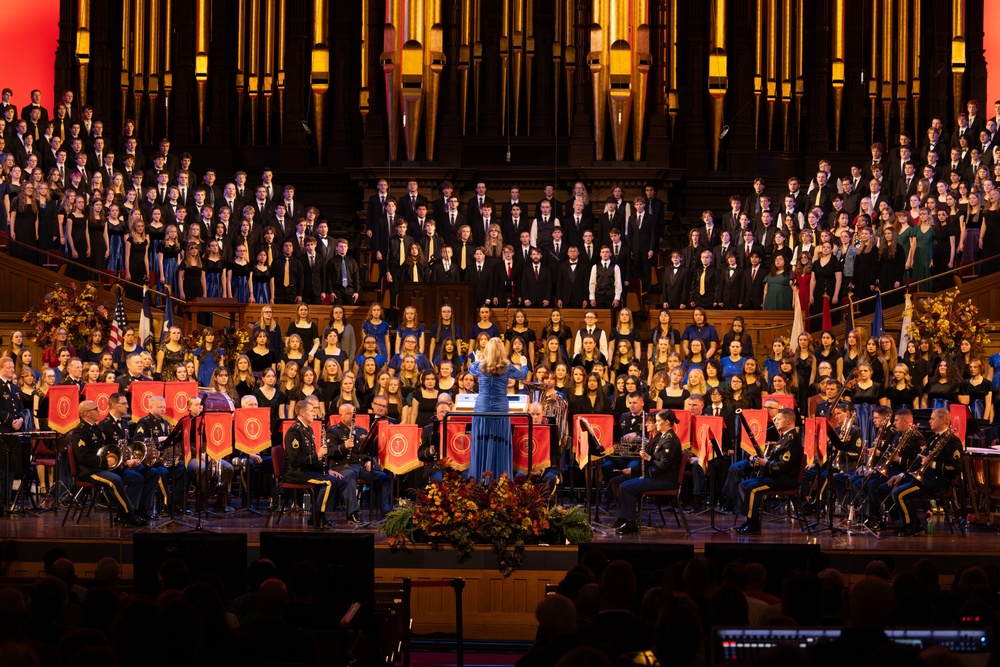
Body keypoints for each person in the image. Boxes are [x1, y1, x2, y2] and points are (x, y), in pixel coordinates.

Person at [71, 400, 146, 527]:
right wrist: (106, 462)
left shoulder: (95, 428)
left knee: (136, 477)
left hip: (102, 468)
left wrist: (122, 461)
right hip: (89, 471)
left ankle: (125, 513)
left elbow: (104, 449)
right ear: (86, 413)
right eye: (95, 409)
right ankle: (129, 515)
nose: (98, 411)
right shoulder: (80, 432)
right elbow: (83, 457)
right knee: (115, 480)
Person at [888, 407, 963, 536]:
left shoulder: (952, 441)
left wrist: (932, 464)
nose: (929, 421)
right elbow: (918, 461)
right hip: (925, 478)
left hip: (937, 482)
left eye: (932, 418)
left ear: (943, 420)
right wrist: (901, 475)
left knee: (898, 493)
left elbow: (956, 468)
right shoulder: (933, 439)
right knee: (891, 486)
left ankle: (912, 526)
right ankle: (910, 524)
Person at [468, 338, 529, 482]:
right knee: (499, 443)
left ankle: (479, 479)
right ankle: (499, 479)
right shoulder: (507, 367)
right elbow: (523, 375)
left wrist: (477, 359)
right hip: (500, 409)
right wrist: (525, 364)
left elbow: (471, 369)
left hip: (482, 409)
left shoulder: (480, 366)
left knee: (482, 442)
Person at [615, 409, 683, 535]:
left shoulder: (670, 440)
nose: (656, 424)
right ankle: (626, 520)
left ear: (667, 422)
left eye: (658, 421)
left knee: (627, 488)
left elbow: (663, 466)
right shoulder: (664, 437)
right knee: (624, 485)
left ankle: (630, 523)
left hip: (665, 480)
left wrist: (648, 462)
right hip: (659, 477)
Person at [735, 407, 802, 534]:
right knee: (743, 485)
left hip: (784, 479)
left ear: (788, 421)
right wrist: (761, 460)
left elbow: (784, 466)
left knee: (752, 489)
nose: (775, 421)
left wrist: (766, 463)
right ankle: (749, 520)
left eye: (778, 419)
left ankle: (753, 525)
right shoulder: (784, 437)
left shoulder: (792, 439)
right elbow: (775, 458)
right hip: (775, 476)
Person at [282, 399, 333, 528]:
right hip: (295, 472)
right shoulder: (294, 431)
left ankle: (317, 517)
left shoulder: (308, 429)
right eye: (311, 410)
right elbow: (295, 460)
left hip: (305, 469)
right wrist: (318, 455)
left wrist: (327, 469)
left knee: (336, 480)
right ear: (302, 413)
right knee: (328, 483)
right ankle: (318, 519)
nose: (315, 413)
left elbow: (310, 459)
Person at [325, 404, 376, 522]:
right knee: (350, 475)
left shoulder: (361, 430)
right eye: (348, 413)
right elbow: (329, 451)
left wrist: (368, 460)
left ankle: (386, 513)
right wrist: (344, 446)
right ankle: (352, 513)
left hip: (359, 466)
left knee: (382, 477)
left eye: (353, 413)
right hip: (342, 466)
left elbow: (364, 451)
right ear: (340, 416)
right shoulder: (333, 431)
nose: (352, 416)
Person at [0, 356, 25, 514]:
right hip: (2, 431)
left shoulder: (16, 388)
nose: (12, 370)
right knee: (1, 469)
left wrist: (21, 419)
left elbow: (21, 406)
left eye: (12, 367)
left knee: (11, 469)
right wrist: (10, 421)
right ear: (1, 368)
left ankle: (8, 500)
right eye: (8, 367)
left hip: (15, 433)